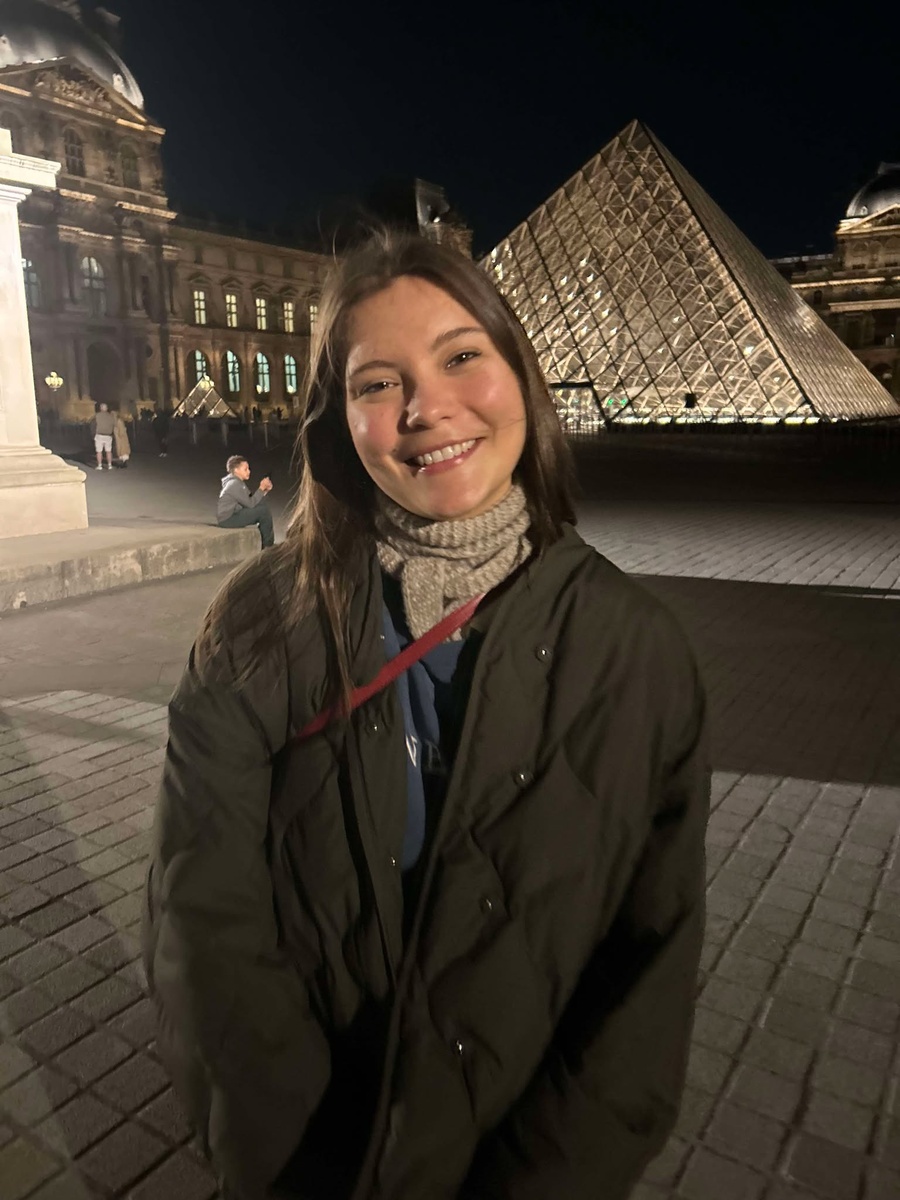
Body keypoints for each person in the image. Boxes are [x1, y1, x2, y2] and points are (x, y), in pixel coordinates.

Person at [143, 232, 709, 1200]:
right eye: (378, 382)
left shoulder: (638, 653)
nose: (426, 407)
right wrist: (289, 1164)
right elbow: (201, 922)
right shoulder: (258, 624)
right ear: (338, 419)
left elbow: (641, 992)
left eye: (460, 356)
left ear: (521, 372)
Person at [217, 455, 275, 548]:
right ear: (236, 470)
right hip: (228, 519)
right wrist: (261, 488)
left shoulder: (236, 482)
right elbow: (250, 504)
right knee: (263, 512)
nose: (249, 471)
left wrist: (265, 490)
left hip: (233, 514)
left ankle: (267, 544)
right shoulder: (234, 484)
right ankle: (268, 547)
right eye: (245, 469)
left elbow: (252, 499)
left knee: (262, 506)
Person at [92, 403, 116, 470]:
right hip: (108, 435)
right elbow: (114, 425)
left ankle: (99, 465)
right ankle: (110, 465)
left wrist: (93, 434)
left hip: (99, 435)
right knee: (108, 451)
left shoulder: (97, 415)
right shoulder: (111, 416)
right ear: (107, 408)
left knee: (99, 451)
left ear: (100, 408)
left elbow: (93, 425)